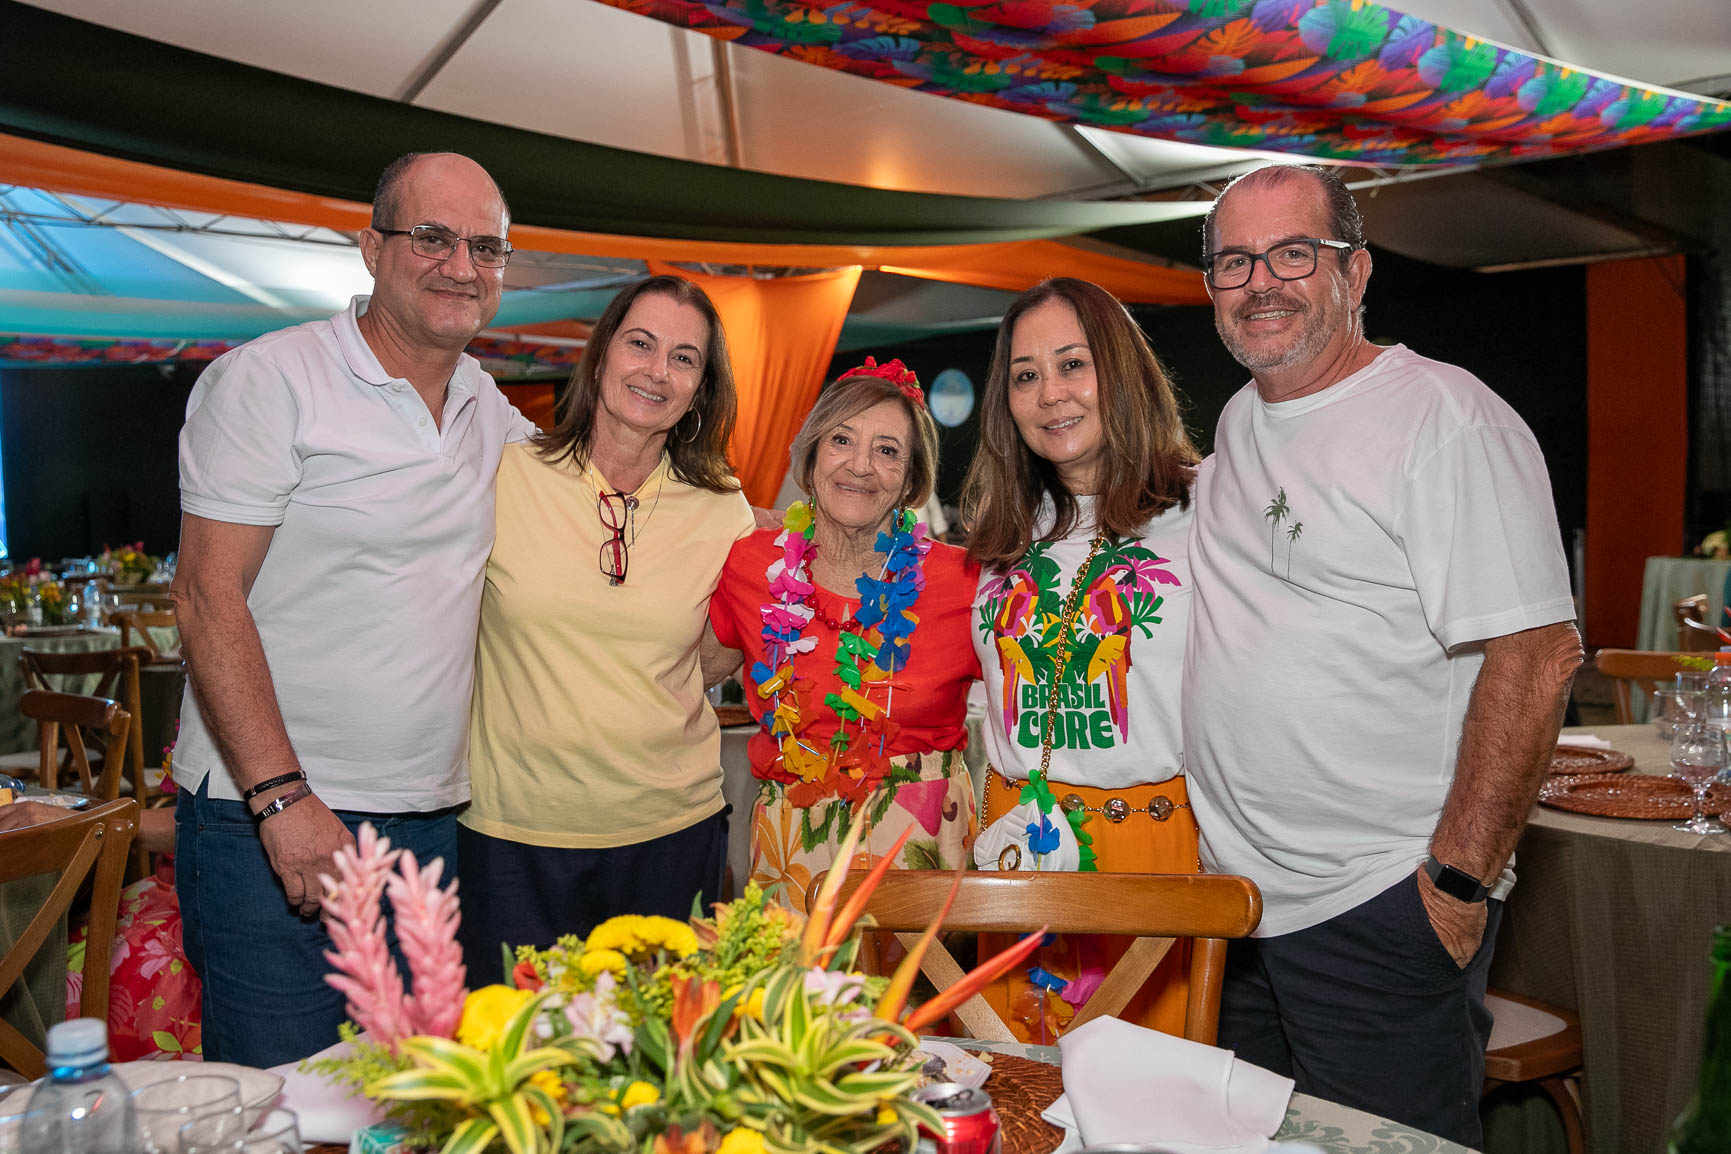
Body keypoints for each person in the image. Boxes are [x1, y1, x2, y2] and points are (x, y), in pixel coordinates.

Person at [1183, 163, 1582, 1147]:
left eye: (1292, 254)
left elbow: (1537, 655)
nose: (1260, 282)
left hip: (1374, 906)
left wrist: (1456, 885)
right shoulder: (1238, 421)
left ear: (1355, 272)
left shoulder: (1445, 419)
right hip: (1234, 907)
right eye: (1235, 261)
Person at [171, 152, 535, 1066]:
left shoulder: (487, 404)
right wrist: (280, 798)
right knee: (286, 1105)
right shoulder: (271, 379)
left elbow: (610, 492)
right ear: (372, 249)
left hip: (433, 820)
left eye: (485, 247)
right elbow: (207, 594)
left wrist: (775, 526)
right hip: (277, 817)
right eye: (433, 238)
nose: (462, 266)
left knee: (409, 1102)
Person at [457, 276, 754, 975]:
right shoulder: (503, 475)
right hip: (511, 837)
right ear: (600, 357)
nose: (657, 371)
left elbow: (720, 654)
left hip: (670, 837)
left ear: (700, 390)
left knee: (658, 1045)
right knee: (513, 1042)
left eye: (684, 358)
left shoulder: (724, 510)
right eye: (640, 344)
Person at [962, 277, 1201, 1043]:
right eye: (1025, 375)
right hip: (1016, 858)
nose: (1049, 394)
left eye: (1072, 364)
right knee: (1014, 1093)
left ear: (1120, 370)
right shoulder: (999, 535)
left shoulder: (1205, 513)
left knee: (1145, 1092)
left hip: (1148, 857)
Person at [707, 358, 979, 913]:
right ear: (811, 456)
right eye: (841, 440)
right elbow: (688, 674)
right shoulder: (748, 564)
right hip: (790, 853)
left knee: (916, 979)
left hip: (923, 851)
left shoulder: (965, 581)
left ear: (912, 479)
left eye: (887, 450)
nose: (860, 465)